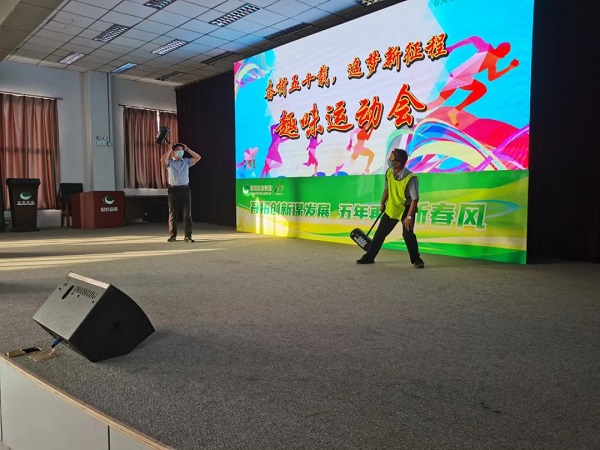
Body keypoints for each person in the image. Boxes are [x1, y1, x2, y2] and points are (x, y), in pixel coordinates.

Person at [427, 36, 519, 126]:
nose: (503, 55)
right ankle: (421, 110)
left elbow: (491, 78)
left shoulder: (493, 61)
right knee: (438, 102)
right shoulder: (487, 48)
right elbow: (473, 38)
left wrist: (510, 67)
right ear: (501, 51)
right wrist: (452, 47)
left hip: (465, 78)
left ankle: (455, 111)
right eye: (504, 52)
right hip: (456, 76)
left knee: (481, 89)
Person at [356, 148, 424, 268]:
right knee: (380, 233)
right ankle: (369, 257)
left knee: (408, 234)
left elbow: (415, 199)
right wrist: (382, 203)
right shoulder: (389, 172)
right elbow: (387, 189)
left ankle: (417, 260)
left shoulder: (411, 178)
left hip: (407, 208)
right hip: (392, 206)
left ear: (398, 163)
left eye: (392, 158)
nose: (389, 160)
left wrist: (409, 217)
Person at [160, 143, 201, 242]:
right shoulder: (170, 162)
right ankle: (173, 235)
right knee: (173, 213)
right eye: (178, 150)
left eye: (182, 150)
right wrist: (169, 150)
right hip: (173, 189)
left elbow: (198, 157)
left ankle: (188, 236)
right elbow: (162, 160)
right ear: (174, 152)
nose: (180, 151)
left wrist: (188, 149)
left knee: (187, 214)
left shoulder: (186, 161)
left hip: (185, 189)